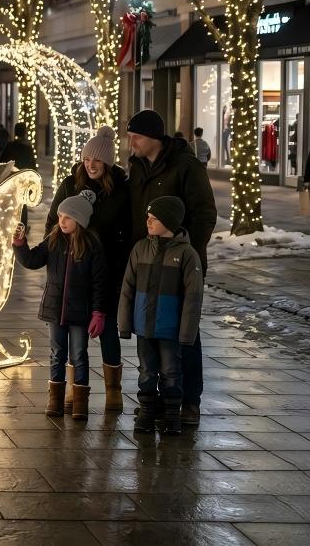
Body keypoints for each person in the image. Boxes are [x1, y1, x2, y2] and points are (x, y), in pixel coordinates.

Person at [126, 109, 216, 425]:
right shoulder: (136, 166)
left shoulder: (186, 166)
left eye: (135, 136)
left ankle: (189, 402)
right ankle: (159, 402)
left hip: (180, 266)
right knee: (152, 334)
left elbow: (205, 213)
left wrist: (186, 251)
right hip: (148, 264)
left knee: (184, 335)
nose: (131, 142)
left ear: (153, 138)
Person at [46, 126, 131, 412]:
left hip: (108, 270)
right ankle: (74, 390)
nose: (91, 165)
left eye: (97, 160)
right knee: (73, 332)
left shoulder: (120, 188)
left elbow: (128, 229)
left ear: (107, 162)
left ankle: (113, 390)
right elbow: (52, 222)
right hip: (75, 269)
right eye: (86, 160)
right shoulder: (71, 185)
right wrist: (59, 251)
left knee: (107, 330)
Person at [14, 189, 108, 419]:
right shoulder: (53, 240)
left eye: (68, 217)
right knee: (57, 353)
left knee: (79, 355)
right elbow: (32, 260)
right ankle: (55, 399)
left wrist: (98, 312)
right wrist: (20, 245)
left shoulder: (92, 246)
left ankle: (79, 403)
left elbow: (99, 282)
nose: (62, 221)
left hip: (80, 312)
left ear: (80, 220)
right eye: (60, 216)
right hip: (55, 310)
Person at [119, 196, 204, 436]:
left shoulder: (187, 255)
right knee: (146, 370)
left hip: (170, 329)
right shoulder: (141, 249)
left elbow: (193, 297)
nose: (148, 221)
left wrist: (187, 332)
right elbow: (128, 288)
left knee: (171, 371)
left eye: (154, 218)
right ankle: (146, 411)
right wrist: (125, 323)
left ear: (169, 221)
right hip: (145, 326)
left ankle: (171, 415)